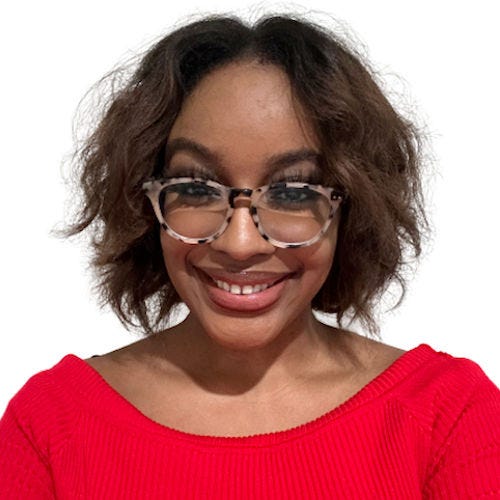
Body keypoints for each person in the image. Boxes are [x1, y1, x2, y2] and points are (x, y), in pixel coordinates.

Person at [0, 13, 498, 498]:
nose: (240, 244)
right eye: (196, 187)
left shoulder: (448, 419)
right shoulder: (50, 424)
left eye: (294, 192)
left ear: (354, 208)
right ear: (145, 203)